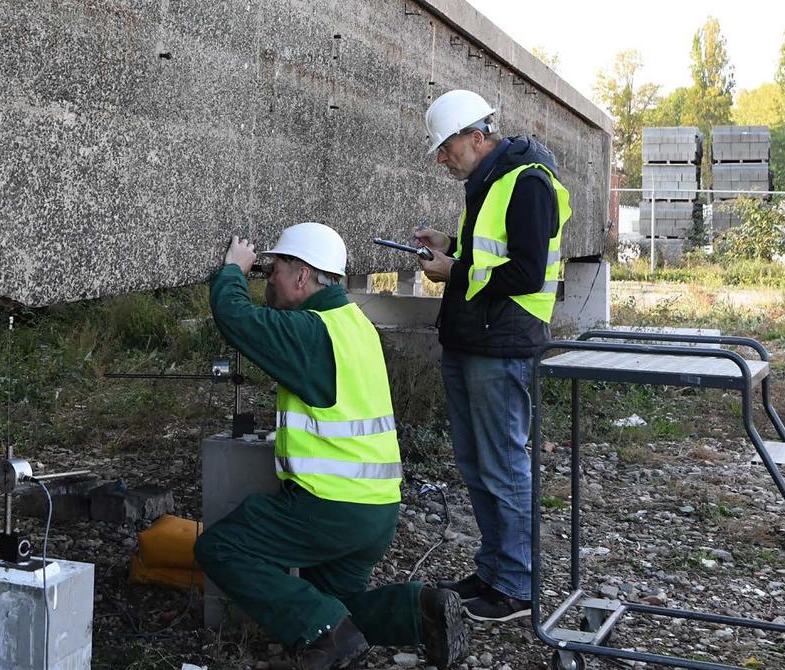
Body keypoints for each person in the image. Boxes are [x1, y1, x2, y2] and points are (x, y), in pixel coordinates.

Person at [194, 222, 468, 670]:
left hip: (331, 507)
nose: (269, 278)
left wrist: (232, 272)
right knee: (337, 600)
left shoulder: (311, 331)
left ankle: (324, 634)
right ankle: (420, 613)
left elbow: (238, 321)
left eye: (274, 268)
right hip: (377, 509)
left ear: (302, 275)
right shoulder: (353, 324)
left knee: (221, 548)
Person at [413, 90, 571, 623]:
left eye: (446, 147)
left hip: (503, 343)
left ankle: (518, 587)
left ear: (476, 138)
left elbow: (525, 272)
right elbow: (489, 254)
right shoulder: (489, 181)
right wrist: (450, 245)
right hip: (473, 340)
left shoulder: (527, 182)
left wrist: (454, 271)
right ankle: (495, 571)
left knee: (503, 465)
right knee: (478, 464)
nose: (441, 158)